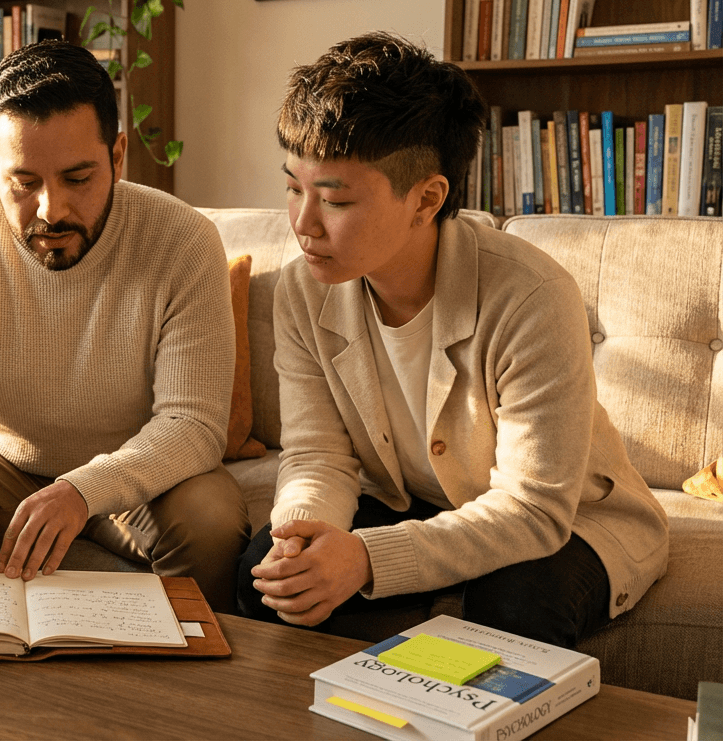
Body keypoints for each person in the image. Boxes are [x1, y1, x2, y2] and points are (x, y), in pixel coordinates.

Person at [236, 32, 669, 647]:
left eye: (333, 198)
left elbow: (533, 510)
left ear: (427, 198)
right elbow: (317, 454)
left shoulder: (532, 296)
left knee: (514, 604)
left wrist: (365, 559)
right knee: (267, 581)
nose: (303, 223)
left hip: (573, 519)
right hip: (408, 499)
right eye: (293, 187)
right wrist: (303, 533)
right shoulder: (306, 289)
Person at [0, 40, 249, 612]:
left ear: (119, 154)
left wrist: (82, 491)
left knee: (211, 518)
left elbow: (192, 425)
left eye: (78, 178)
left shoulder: (183, 241)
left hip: (136, 477)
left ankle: (173, 683)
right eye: (23, 182)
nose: (50, 209)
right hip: (2, 466)